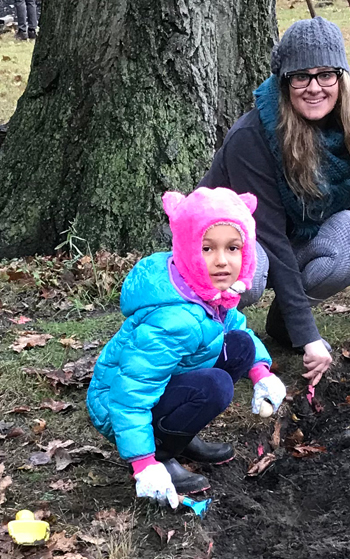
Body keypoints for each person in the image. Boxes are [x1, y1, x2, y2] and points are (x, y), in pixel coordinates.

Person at [199, 17, 350, 387]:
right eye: (301, 76)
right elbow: (269, 237)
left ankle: (285, 322)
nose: (314, 87)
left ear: (341, 77)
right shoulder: (252, 137)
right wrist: (311, 337)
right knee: (247, 276)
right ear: (284, 81)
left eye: (325, 75)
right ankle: (205, 340)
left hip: (293, 243)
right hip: (240, 244)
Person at [87, 187, 286, 508]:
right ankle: (162, 453)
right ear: (188, 247)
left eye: (233, 248)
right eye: (207, 248)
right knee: (215, 386)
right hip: (117, 404)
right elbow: (130, 394)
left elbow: (237, 327)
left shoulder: (210, 290)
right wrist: (143, 464)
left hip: (163, 385)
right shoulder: (173, 321)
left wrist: (261, 373)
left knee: (240, 345)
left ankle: (181, 436)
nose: (222, 261)